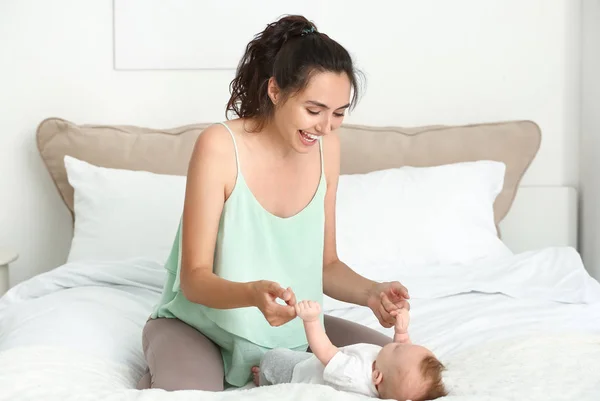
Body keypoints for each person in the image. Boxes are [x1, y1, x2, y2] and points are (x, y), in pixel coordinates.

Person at [137, 14, 411, 391]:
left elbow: (326, 265)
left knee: (403, 376)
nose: (325, 127)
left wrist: (372, 293)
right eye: (313, 111)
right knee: (186, 394)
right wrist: (251, 295)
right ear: (275, 91)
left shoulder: (326, 147)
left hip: (292, 330)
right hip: (202, 328)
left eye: (339, 114)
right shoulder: (219, 146)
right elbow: (194, 279)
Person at [253, 301, 447, 401]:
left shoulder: (353, 373)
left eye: (398, 347)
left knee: (273, 357)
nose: (402, 343)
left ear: (377, 377)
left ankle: (261, 382)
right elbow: (403, 353)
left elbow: (325, 351)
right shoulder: (387, 369)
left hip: (298, 373)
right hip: (316, 366)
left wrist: (311, 320)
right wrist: (401, 331)